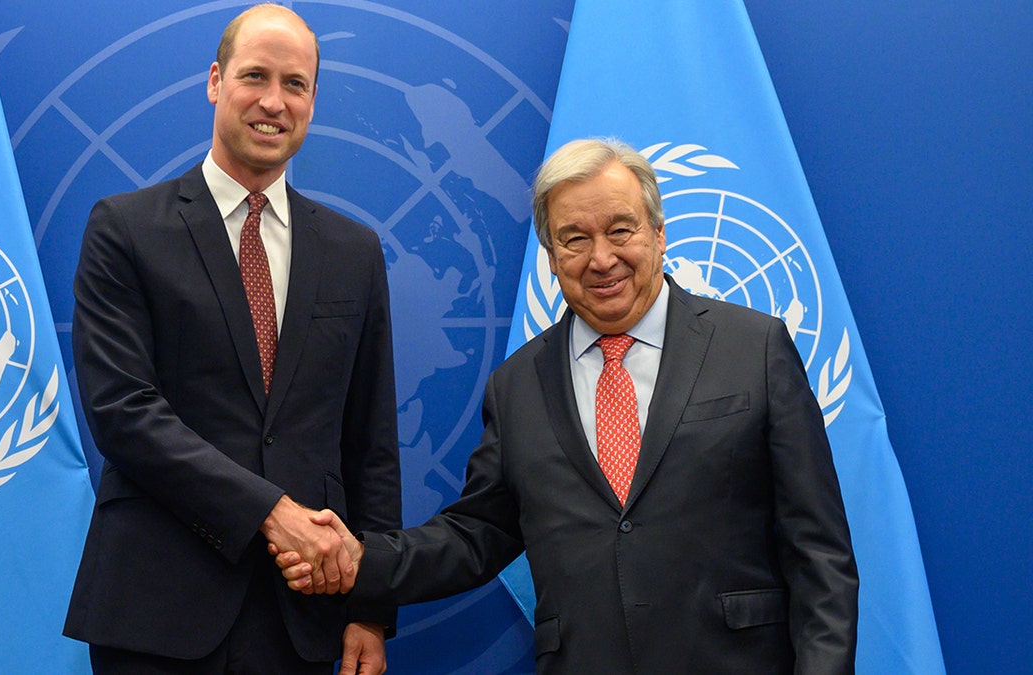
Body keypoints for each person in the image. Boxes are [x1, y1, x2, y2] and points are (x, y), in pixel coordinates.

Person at [275, 138, 858, 673]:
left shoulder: (754, 347)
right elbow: (476, 535)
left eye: (621, 231)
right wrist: (358, 559)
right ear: (551, 256)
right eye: (574, 238)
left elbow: (820, 553)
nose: (600, 258)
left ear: (659, 234)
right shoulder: (517, 386)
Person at [63, 4, 401, 674]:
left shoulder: (353, 251)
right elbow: (122, 412)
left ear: (312, 99)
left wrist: (371, 604)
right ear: (215, 80)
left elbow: (372, 443)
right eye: (255, 76)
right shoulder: (124, 229)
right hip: (157, 613)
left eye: (295, 84)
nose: (273, 101)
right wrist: (270, 511)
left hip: (304, 619)